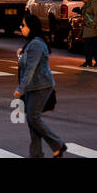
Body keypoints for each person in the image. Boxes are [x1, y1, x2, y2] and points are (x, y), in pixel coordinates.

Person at [15, 14, 66, 158]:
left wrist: (21, 89)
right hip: (33, 87)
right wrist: (20, 55)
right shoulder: (31, 43)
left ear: (31, 27)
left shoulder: (36, 44)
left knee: (33, 118)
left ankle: (57, 144)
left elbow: (30, 68)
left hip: (41, 87)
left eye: (23, 25)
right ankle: (36, 154)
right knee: (32, 121)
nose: (21, 28)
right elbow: (24, 64)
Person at [78, 0, 97, 69]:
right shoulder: (87, 4)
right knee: (88, 46)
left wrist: (93, 25)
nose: (82, 0)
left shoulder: (94, 3)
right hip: (87, 28)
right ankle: (89, 61)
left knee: (94, 46)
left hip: (93, 29)